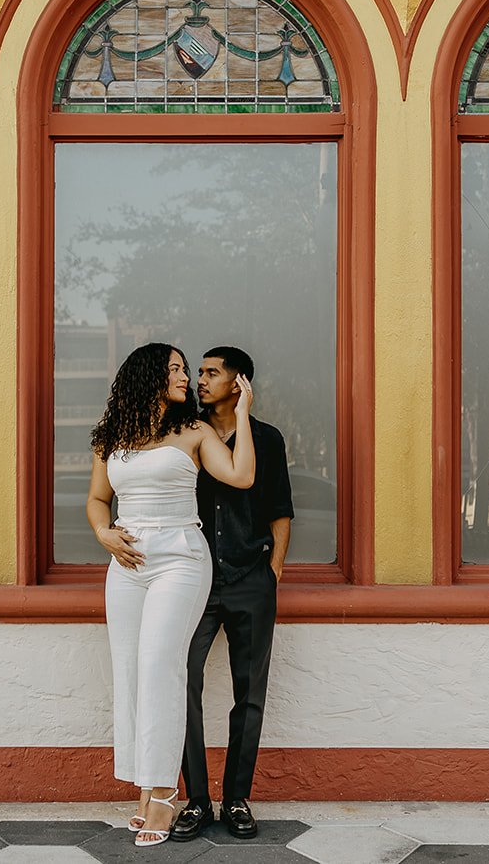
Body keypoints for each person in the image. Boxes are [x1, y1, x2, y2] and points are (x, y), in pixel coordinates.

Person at [88, 342, 255, 848]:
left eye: (187, 369)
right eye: (177, 369)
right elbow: (98, 500)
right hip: (127, 563)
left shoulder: (195, 432)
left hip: (179, 557)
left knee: (161, 665)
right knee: (131, 671)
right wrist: (103, 533)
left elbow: (242, 476)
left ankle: (165, 793)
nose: (186, 377)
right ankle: (144, 788)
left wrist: (243, 414)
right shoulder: (112, 436)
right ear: (148, 377)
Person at [173, 347, 293, 842]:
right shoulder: (186, 433)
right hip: (196, 580)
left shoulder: (265, 438)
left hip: (251, 580)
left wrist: (273, 574)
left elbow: (280, 512)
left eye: (211, 373)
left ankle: (237, 798)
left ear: (238, 382)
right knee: (182, 684)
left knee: (250, 694)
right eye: (197, 372)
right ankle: (196, 801)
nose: (200, 380)